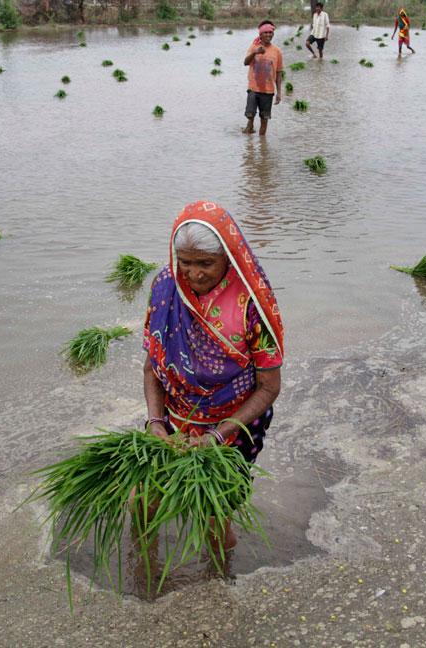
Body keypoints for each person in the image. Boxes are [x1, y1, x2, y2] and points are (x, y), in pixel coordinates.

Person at [143, 200, 284, 551]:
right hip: (173, 420)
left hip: (234, 425)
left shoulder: (252, 303)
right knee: (146, 497)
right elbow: (152, 367)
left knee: (214, 513)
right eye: (185, 263)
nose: (193, 273)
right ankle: (142, 559)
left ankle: (220, 582)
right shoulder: (165, 285)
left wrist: (218, 436)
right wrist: (155, 423)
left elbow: (268, 387)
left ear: (229, 257)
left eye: (205, 263)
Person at [243, 20, 284, 137]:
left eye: (270, 33)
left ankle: (262, 145)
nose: (268, 35)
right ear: (260, 35)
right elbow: (245, 62)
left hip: (268, 91)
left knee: (264, 119)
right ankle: (249, 128)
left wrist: (279, 93)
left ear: (273, 34)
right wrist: (255, 52)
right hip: (253, 88)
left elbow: (279, 73)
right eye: (265, 33)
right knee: (250, 114)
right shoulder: (254, 47)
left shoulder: (277, 51)